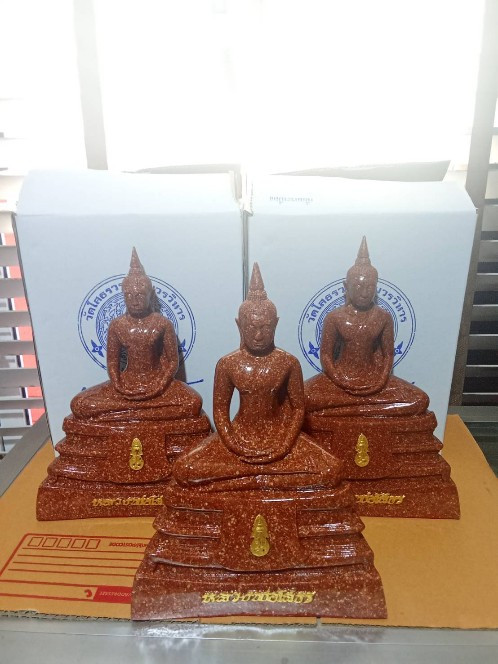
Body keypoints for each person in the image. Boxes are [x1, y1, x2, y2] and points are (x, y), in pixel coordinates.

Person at [175, 263, 340, 491]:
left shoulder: (288, 362)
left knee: (331, 470)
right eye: (251, 328)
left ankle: (244, 480)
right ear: (239, 325)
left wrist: (285, 444)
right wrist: (233, 444)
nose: (259, 335)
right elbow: (220, 411)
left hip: (280, 435)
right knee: (185, 469)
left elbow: (298, 409)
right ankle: (266, 480)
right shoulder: (228, 364)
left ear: (276, 324)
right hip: (239, 434)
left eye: (265, 327)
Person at [71, 248, 202, 421]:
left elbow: (172, 362)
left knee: (193, 402)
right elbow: (112, 362)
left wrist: (160, 385)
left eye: (140, 295)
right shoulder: (117, 325)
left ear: (151, 295)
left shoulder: (162, 323)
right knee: (79, 404)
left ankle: (125, 413)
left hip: (158, 382)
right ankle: (144, 412)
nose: (134, 301)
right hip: (126, 383)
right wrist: (118, 385)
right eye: (129, 296)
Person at [305, 237, 428, 417]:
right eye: (358, 286)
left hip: (374, 379)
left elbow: (388, 354)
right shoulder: (335, 317)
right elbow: (325, 355)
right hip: (341, 379)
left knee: (420, 400)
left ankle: (349, 410)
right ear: (346, 287)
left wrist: (381, 380)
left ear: (376, 287)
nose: (364, 293)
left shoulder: (383, 317)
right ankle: (364, 409)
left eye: (370, 287)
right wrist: (339, 379)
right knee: (303, 397)